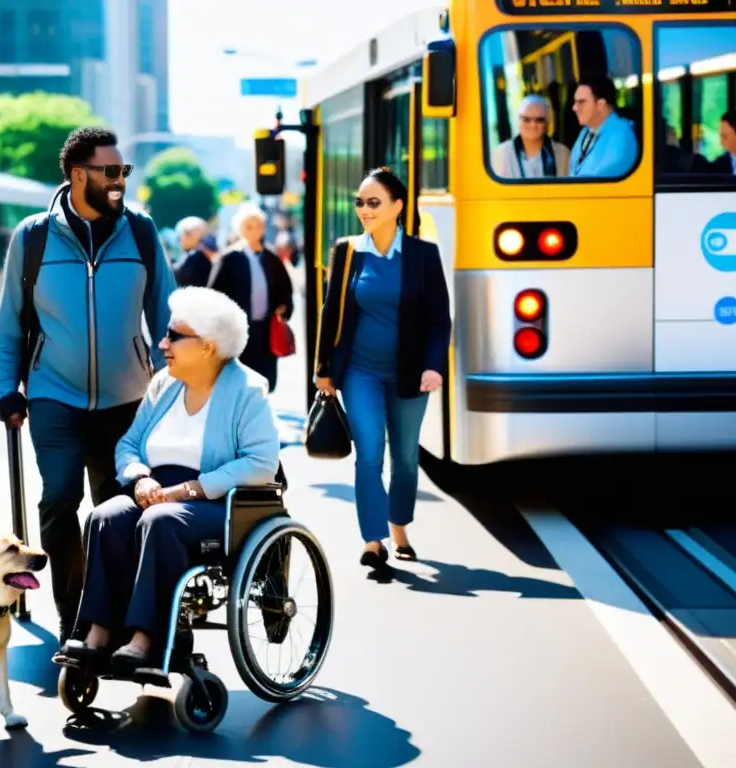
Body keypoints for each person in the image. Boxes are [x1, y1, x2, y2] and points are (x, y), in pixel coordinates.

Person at [0, 127, 177, 654]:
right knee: (59, 501)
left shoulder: (139, 232)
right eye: (110, 172)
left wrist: (180, 376)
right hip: (55, 397)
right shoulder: (33, 238)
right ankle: (75, 619)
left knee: (116, 508)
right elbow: (9, 325)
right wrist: (7, 389)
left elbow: (166, 310)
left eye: (124, 172)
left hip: (128, 399)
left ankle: (116, 617)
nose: (120, 181)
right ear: (78, 176)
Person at [59, 286, 280, 669]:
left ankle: (148, 638)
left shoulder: (247, 390)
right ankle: (99, 632)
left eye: (174, 336)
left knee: (160, 521)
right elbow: (128, 444)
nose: (162, 344)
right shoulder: (163, 385)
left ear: (208, 346)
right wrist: (140, 477)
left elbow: (262, 462)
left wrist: (192, 488)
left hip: (215, 501)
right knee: (104, 518)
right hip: (154, 490)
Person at [314, 167, 451, 568]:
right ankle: (373, 540)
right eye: (359, 202)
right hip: (361, 373)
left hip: (410, 374)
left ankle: (399, 525)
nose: (364, 209)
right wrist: (325, 369)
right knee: (369, 455)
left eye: (373, 202)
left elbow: (440, 319)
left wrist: (434, 366)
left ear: (398, 206)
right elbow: (330, 313)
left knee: (405, 459)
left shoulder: (424, 256)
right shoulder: (347, 251)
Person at [208, 203, 294, 393]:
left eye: (258, 225)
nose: (254, 230)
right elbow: (214, 294)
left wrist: (284, 308)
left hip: (265, 331)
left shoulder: (271, 259)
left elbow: (285, 291)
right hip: (238, 332)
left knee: (265, 381)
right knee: (239, 382)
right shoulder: (229, 259)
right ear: (240, 230)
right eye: (248, 226)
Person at [569, 77, 638, 178]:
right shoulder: (585, 132)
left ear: (601, 104)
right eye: (575, 102)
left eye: (581, 102)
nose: (574, 107)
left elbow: (601, 181)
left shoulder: (621, 135)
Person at [490, 95, 571, 179]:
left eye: (539, 120)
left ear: (548, 122)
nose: (533, 125)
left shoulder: (563, 154)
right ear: (518, 121)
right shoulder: (500, 154)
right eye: (526, 119)